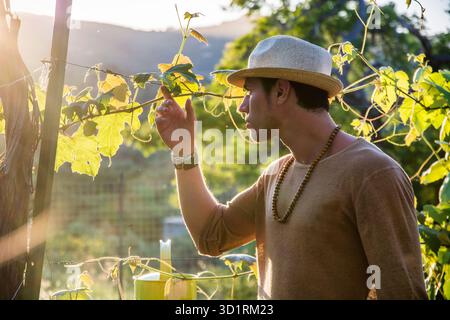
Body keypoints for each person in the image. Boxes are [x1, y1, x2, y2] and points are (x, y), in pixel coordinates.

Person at [155, 35, 427, 299]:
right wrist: (183, 149)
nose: (242, 107)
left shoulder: (373, 174)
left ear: (282, 91)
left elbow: (402, 291)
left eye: (249, 92)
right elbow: (211, 236)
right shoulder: (276, 173)